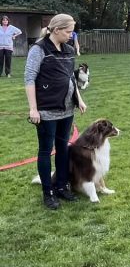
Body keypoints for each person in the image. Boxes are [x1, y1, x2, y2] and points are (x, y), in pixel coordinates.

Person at [25, 14, 87, 209]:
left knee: (63, 149)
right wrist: (33, 109)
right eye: (68, 31)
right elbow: (29, 79)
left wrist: (79, 99)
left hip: (67, 110)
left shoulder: (68, 50)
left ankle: (61, 186)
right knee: (45, 150)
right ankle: (48, 192)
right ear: (57, 29)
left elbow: (71, 78)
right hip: (46, 112)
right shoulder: (39, 49)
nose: (71, 35)